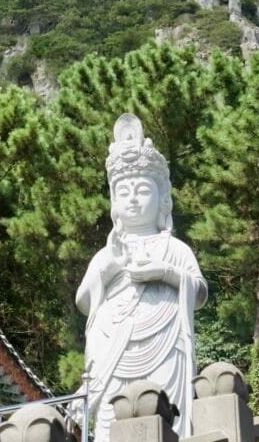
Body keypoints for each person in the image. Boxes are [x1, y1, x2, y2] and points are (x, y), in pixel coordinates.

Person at [76, 113, 207, 441]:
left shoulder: (174, 249)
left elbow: (200, 291)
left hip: (164, 343)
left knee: (165, 409)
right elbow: (83, 300)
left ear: (163, 199)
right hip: (113, 348)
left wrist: (165, 272)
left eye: (142, 191)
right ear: (113, 204)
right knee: (111, 413)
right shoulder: (107, 254)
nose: (132, 199)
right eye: (124, 193)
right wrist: (109, 270)